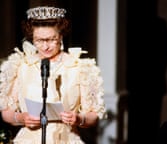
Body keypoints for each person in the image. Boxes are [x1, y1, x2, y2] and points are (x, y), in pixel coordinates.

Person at [0, 5, 107, 144]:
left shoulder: (80, 67)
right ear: (32, 38)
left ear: (61, 36)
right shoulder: (20, 66)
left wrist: (79, 119)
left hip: (66, 139)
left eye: (51, 39)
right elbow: (6, 112)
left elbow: (93, 115)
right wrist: (21, 118)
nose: (45, 46)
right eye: (39, 40)